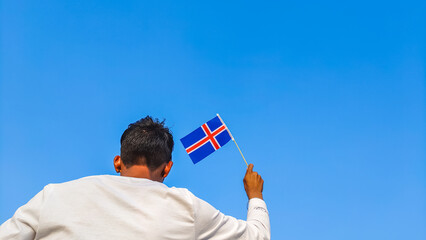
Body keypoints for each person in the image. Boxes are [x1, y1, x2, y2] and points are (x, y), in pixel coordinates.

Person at [0, 116, 270, 240]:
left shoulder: (54, 196)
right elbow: (257, 237)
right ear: (167, 169)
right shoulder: (187, 208)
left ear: (118, 161)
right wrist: (255, 196)